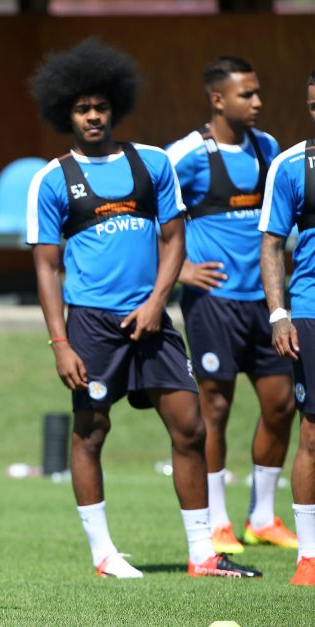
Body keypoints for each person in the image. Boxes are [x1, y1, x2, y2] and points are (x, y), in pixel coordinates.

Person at [27, 38, 261, 579]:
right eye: (82, 109)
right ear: (68, 112)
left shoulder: (151, 163)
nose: (92, 116)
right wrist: (60, 343)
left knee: (190, 426)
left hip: (152, 320)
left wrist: (159, 301)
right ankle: (104, 555)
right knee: (90, 432)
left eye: (100, 107)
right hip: (90, 323)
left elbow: (175, 240)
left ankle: (203, 554)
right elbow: (46, 268)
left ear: (115, 109)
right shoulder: (52, 178)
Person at [167, 56, 297, 555]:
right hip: (213, 303)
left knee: (282, 404)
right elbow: (146, 214)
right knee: (214, 408)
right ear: (217, 99)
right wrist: (178, 271)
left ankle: (261, 517)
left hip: (265, 304)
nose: (258, 102)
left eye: (259, 92)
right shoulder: (185, 155)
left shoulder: (269, 151)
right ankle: (218, 521)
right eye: (248, 94)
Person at [257, 69, 315, 586]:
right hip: (311, 313)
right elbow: (273, 243)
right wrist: (279, 315)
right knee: (313, 432)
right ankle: (310, 558)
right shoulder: (292, 165)